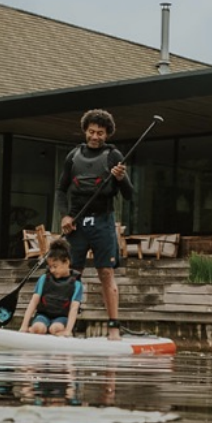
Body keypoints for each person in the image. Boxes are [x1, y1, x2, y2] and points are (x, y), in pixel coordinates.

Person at [57, 109, 133, 340]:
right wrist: (64, 216)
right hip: (77, 223)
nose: (95, 136)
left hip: (103, 223)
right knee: (72, 274)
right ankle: (66, 326)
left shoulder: (114, 156)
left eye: (100, 133)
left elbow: (129, 195)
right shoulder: (73, 156)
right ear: (85, 131)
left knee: (106, 272)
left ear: (107, 134)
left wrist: (121, 178)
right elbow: (61, 190)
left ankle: (113, 328)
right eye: (91, 132)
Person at [19, 238, 84, 336]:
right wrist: (24, 326)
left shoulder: (76, 283)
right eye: (50, 267)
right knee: (38, 328)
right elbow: (33, 302)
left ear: (66, 262)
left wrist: (68, 330)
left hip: (62, 319)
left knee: (55, 328)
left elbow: (74, 308)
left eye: (55, 266)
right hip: (43, 316)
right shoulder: (44, 279)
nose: (52, 270)